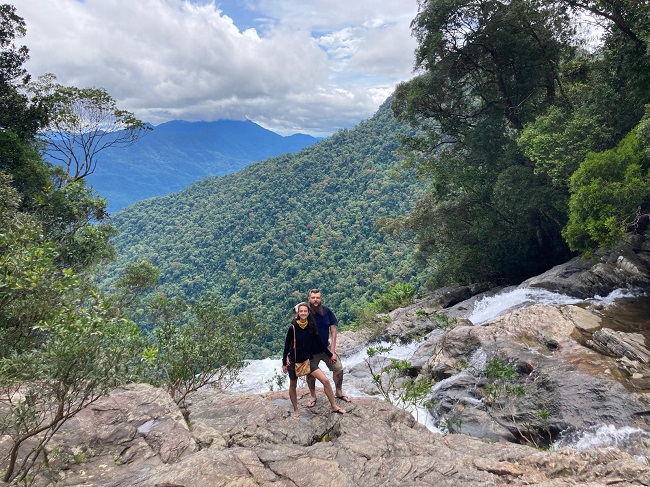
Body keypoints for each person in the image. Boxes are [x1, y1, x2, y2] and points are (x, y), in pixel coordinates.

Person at [282, 302, 346, 419]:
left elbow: (320, 343)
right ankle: (296, 410)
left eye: (305, 311)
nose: (303, 313)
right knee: (293, 386)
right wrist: (284, 363)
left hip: (308, 360)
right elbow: (287, 346)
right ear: (298, 313)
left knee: (325, 381)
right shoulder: (293, 328)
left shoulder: (311, 326)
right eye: (301, 311)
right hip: (294, 361)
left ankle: (334, 405)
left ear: (308, 313)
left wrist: (330, 354)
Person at [306, 289, 351, 407]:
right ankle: (313, 395)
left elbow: (333, 331)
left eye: (318, 298)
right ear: (309, 299)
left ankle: (339, 392)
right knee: (310, 374)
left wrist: (332, 351)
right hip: (311, 352)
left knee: (338, 368)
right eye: (313, 298)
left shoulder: (326, 311)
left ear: (320, 299)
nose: (315, 300)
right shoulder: (305, 312)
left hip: (326, 349)